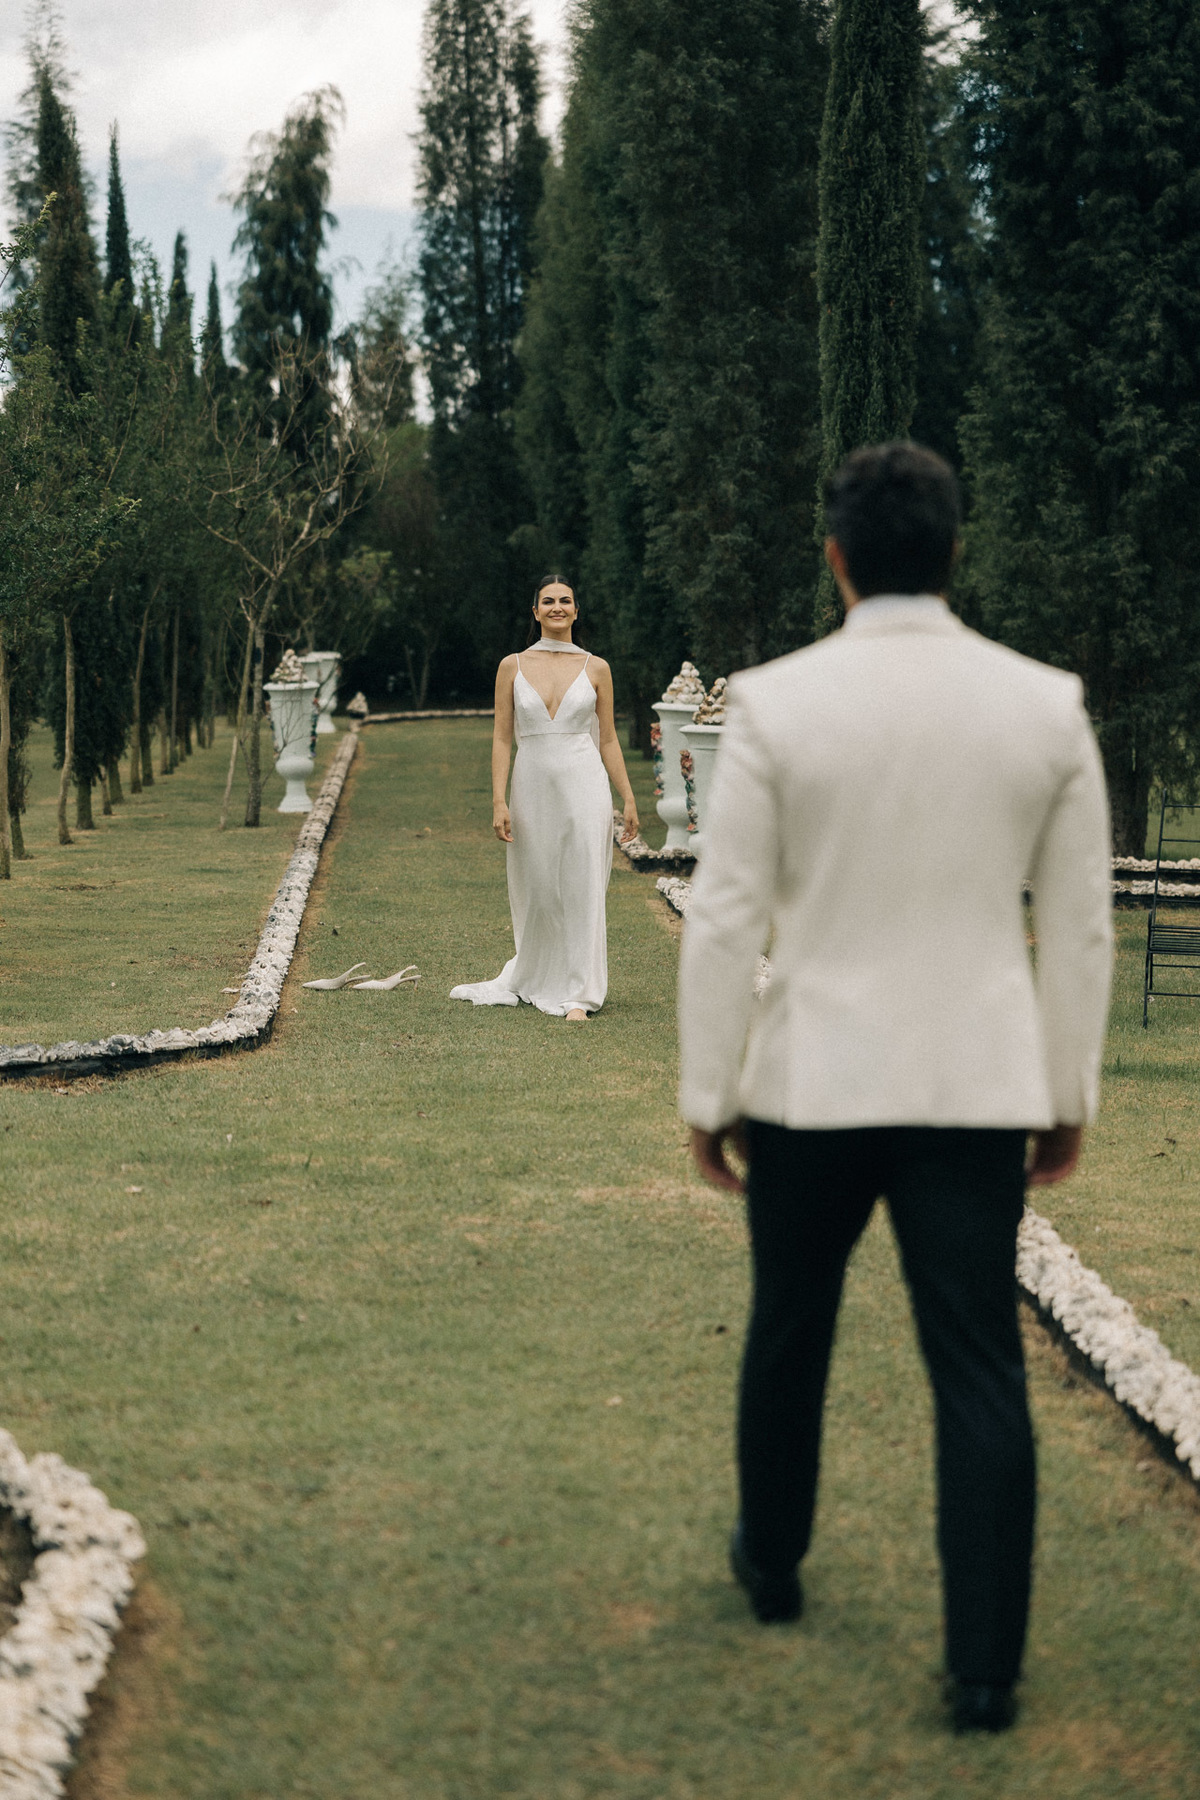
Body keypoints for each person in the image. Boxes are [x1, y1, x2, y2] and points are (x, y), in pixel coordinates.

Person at [677, 443, 1112, 1734]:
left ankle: (771, 1563)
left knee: (789, 1328)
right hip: (973, 1090)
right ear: (955, 551)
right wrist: (1067, 1092)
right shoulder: (1045, 704)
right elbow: (1079, 925)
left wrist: (709, 1091)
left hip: (810, 1083)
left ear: (837, 559)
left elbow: (723, 918)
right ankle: (984, 1670)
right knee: (977, 1364)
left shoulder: (773, 705)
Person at [451, 576, 639, 1021]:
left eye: (565, 601)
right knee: (538, 888)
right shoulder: (511, 666)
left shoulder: (597, 668)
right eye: (548, 601)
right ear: (535, 612)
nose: (558, 607)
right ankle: (539, 974)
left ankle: (580, 995)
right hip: (531, 786)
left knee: (583, 884)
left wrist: (628, 798)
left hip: (585, 785)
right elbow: (502, 738)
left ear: (576, 610)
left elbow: (608, 739)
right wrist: (498, 800)